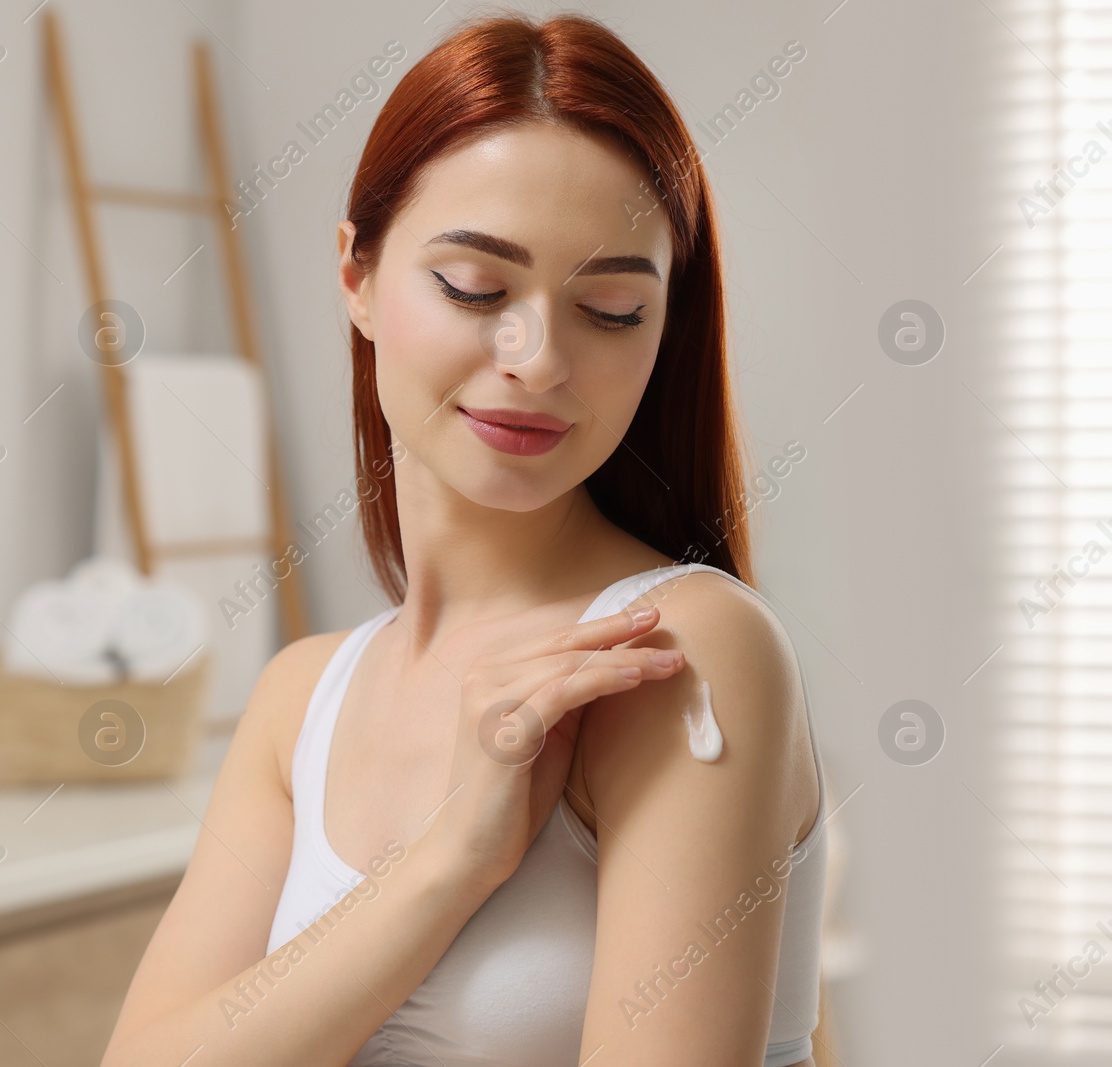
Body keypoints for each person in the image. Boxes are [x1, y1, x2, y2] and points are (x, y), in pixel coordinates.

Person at [100, 11, 827, 1067]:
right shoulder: (301, 699)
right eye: (475, 287)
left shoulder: (669, 655)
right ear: (355, 275)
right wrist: (447, 859)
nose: (536, 358)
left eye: (613, 309)